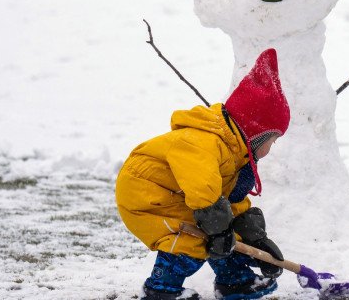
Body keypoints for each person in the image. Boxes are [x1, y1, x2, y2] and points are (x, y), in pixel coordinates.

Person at [116, 48, 290, 300]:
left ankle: (234, 281)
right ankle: (161, 289)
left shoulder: (236, 154)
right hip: (148, 194)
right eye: (272, 140)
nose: (271, 149)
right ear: (257, 133)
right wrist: (219, 228)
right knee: (195, 239)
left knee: (220, 230)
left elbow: (230, 201)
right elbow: (203, 188)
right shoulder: (204, 142)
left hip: (179, 196)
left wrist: (255, 239)